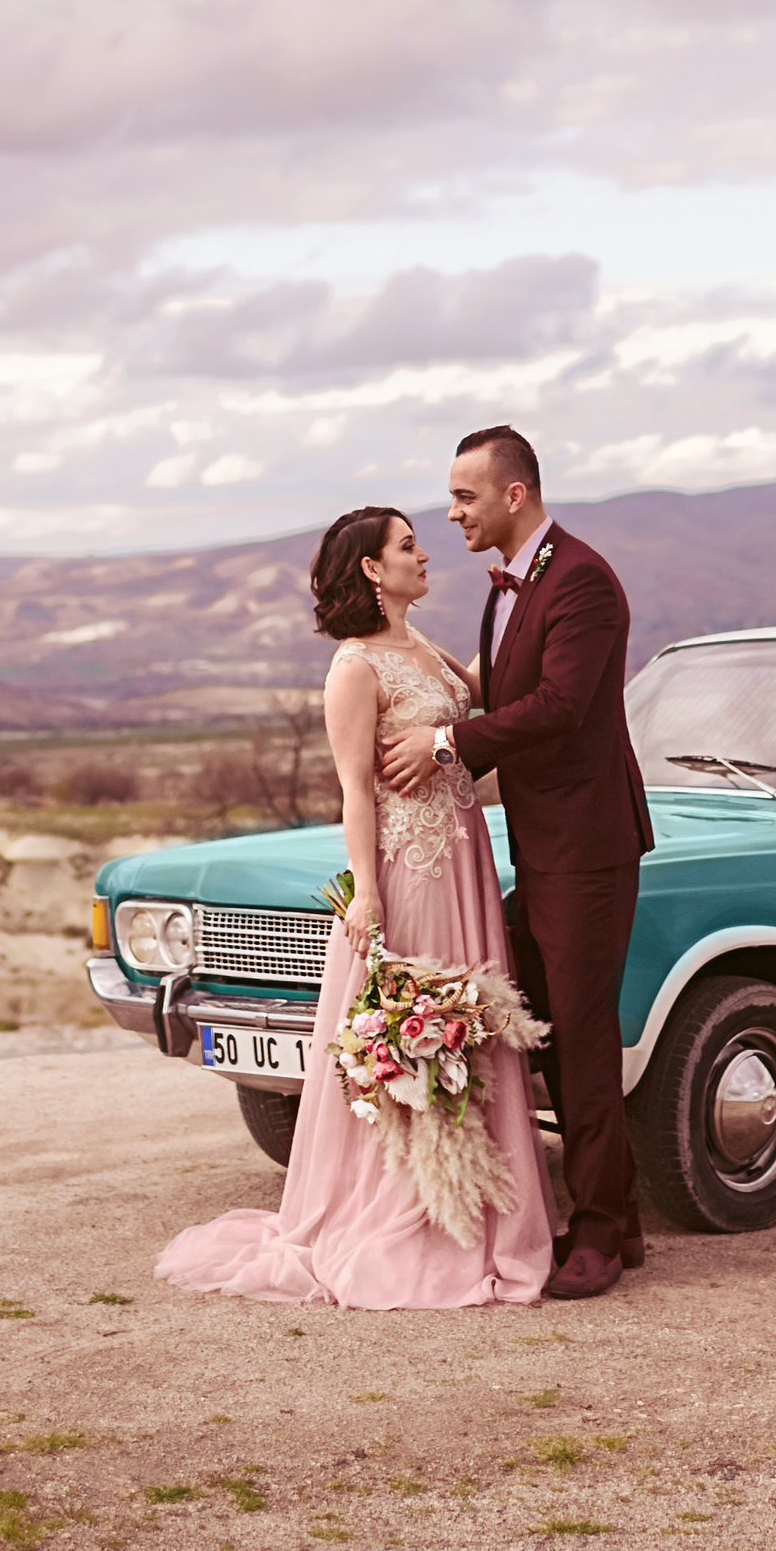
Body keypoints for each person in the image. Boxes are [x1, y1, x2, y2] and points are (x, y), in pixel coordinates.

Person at [154, 505, 554, 1312]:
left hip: (465, 862)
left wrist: (521, 596)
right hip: (409, 871)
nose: (424, 553)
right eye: (408, 546)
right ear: (373, 569)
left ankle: (478, 1204)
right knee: (415, 1034)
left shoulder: (427, 651)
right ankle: (410, 1212)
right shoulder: (354, 667)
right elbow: (356, 795)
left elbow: (494, 694)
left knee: (472, 1021)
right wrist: (367, 892)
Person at [378, 426, 652, 1301]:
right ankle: (622, 1215)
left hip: (590, 847)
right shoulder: (507, 590)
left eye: (463, 496)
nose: (451, 512)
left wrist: (448, 741)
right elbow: (511, 703)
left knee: (580, 1038)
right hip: (541, 847)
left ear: (514, 495)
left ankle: (601, 1237)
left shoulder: (581, 581)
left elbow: (563, 707)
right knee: (549, 1032)